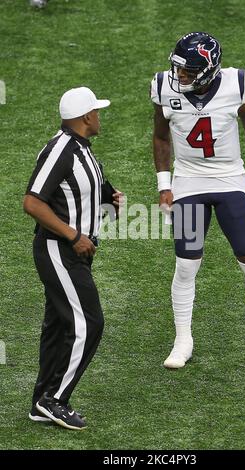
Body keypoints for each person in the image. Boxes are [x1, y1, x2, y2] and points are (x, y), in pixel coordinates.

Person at [150, 32, 245, 369]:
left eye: (186, 71)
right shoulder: (163, 87)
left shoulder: (237, 85)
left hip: (229, 177)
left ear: (208, 70)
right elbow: (160, 136)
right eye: (177, 68)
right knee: (186, 262)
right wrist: (164, 185)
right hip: (188, 180)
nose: (178, 75)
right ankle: (183, 337)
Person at [23, 86, 122, 430]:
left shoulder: (82, 149)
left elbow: (89, 190)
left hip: (74, 251)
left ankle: (41, 402)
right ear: (85, 118)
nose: (99, 116)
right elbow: (33, 202)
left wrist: (111, 200)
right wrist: (73, 235)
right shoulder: (61, 150)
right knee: (88, 323)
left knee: (59, 326)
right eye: (96, 111)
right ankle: (55, 400)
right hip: (58, 250)